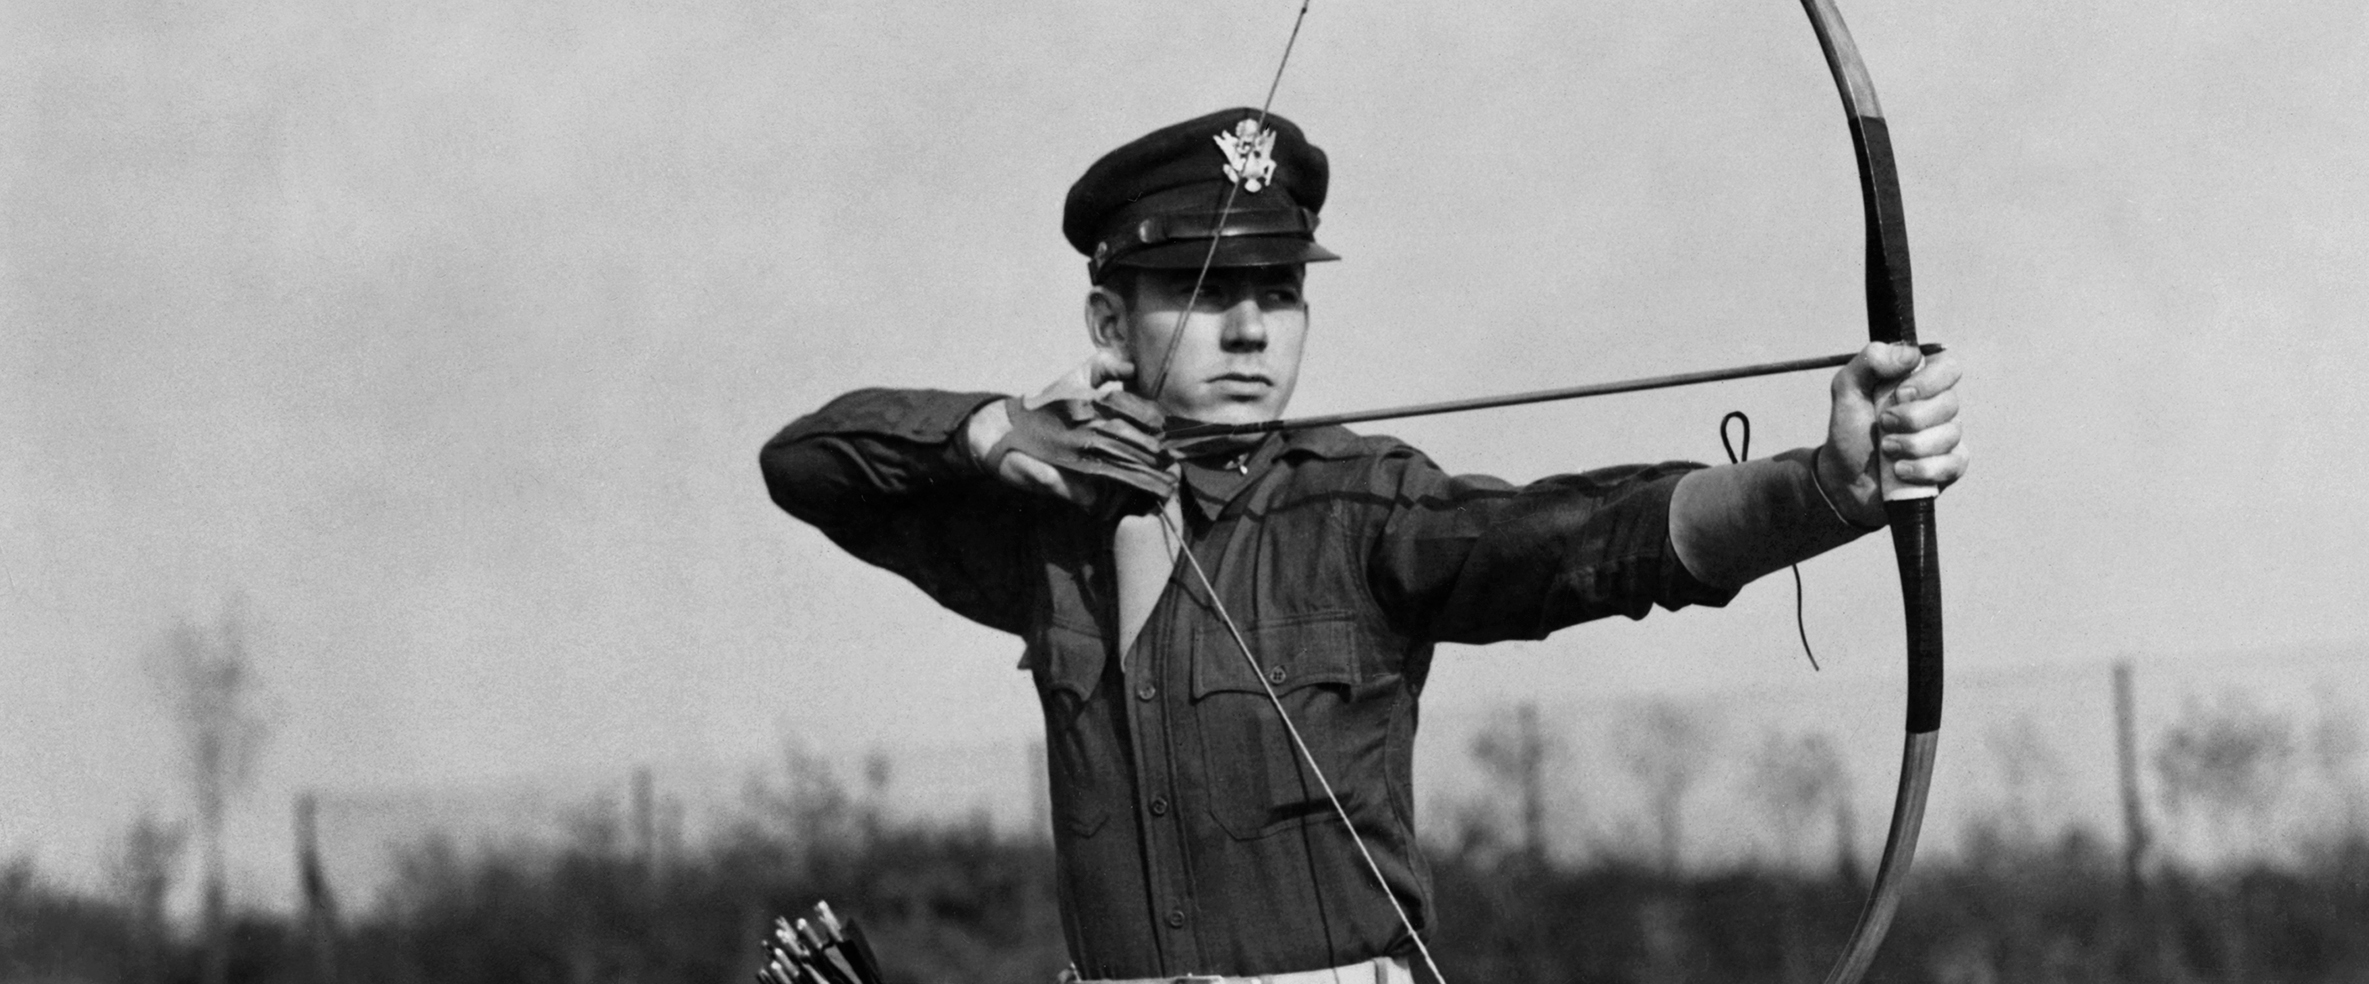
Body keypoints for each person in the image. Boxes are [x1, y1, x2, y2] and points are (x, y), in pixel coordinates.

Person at [758, 107, 1967, 984]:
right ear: (1107, 323)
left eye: (1278, 290)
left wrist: (1825, 488)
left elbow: (1586, 543)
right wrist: (992, 433)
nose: (1247, 330)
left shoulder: (1364, 506)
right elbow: (808, 462)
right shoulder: (1049, 533)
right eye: (1200, 287)